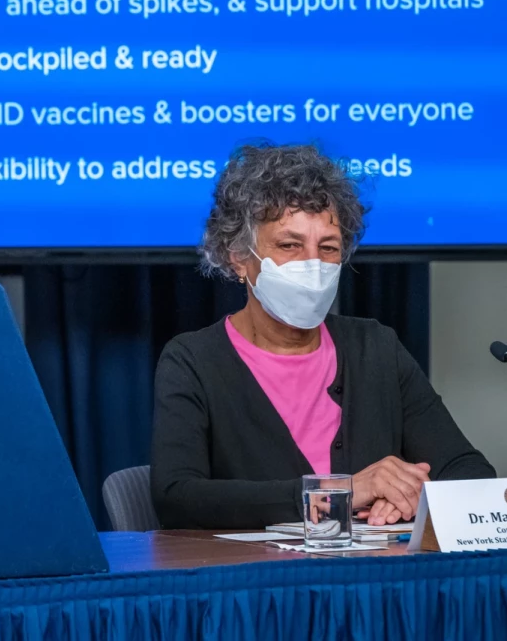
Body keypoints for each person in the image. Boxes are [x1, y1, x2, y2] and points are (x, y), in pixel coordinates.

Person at [150, 143, 494, 529]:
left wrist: (410, 497)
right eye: (289, 245)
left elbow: (469, 471)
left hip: (378, 579)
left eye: (327, 248)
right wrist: (336, 495)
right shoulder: (193, 360)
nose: (311, 264)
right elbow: (177, 498)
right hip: (258, 584)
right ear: (238, 255)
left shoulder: (376, 348)